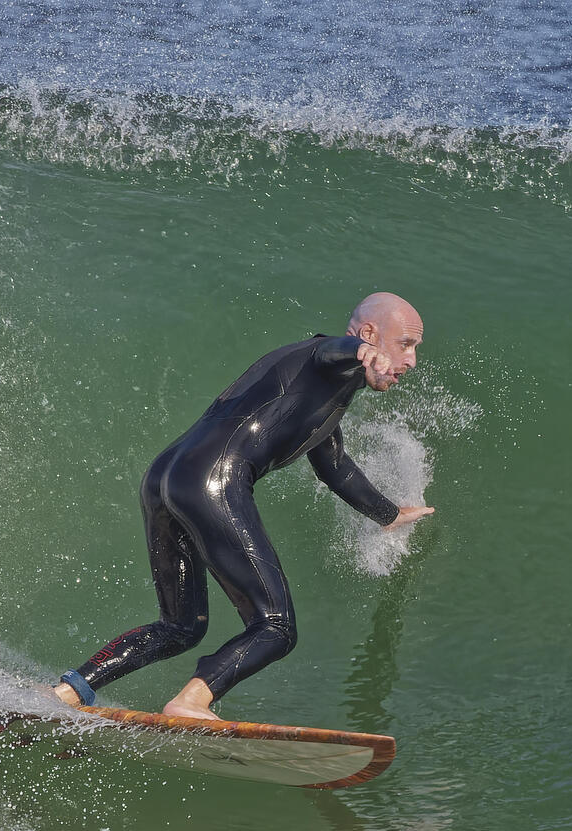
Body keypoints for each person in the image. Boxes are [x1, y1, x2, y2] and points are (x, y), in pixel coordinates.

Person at [54, 292, 434, 719]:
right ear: (369, 333)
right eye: (406, 345)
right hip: (211, 481)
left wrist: (390, 514)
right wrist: (362, 353)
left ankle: (66, 693)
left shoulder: (320, 392)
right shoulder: (324, 355)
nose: (412, 360)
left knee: (181, 628)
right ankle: (191, 702)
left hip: (166, 478)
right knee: (276, 627)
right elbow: (334, 350)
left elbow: (334, 466)